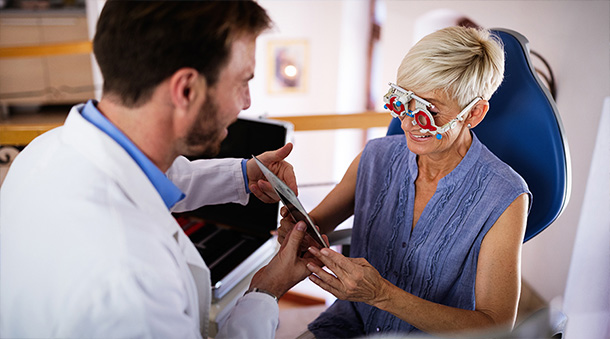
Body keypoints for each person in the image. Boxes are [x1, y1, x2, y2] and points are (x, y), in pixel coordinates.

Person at [0, 1, 318, 338]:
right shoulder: (131, 280)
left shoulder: (45, 149)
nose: (247, 102)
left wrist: (243, 174)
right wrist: (264, 294)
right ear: (186, 90)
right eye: (242, 81)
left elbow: (156, 179)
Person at [278, 26, 531, 338]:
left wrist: (382, 294)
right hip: (350, 323)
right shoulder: (376, 156)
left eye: (429, 112)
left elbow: (496, 326)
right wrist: (295, 226)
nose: (408, 121)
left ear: (474, 113)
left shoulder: (504, 195)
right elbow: (315, 223)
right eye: (402, 101)